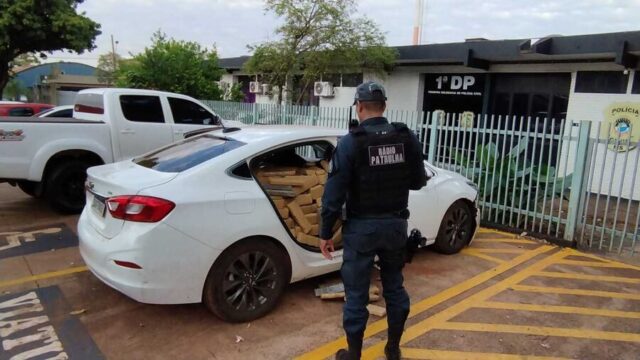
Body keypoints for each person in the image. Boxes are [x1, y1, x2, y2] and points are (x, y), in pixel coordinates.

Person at [319, 81, 427, 360]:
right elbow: (418, 182)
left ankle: (354, 354)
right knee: (395, 287)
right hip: (395, 227)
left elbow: (332, 196)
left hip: (361, 229)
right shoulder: (406, 137)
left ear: (359, 107)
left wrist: (325, 232)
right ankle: (392, 349)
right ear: (385, 107)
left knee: (356, 294)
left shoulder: (350, 142)